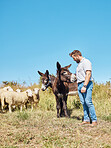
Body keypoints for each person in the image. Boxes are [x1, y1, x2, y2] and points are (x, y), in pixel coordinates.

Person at [69, 50, 97, 126]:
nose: (73, 60)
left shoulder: (86, 62)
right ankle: (86, 119)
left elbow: (88, 74)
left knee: (88, 102)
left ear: (77, 56)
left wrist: (84, 86)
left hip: (86, 84)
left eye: (74, 58)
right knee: (83, 103)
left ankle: (94, 120)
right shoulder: (79, 65)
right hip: (79, 84)